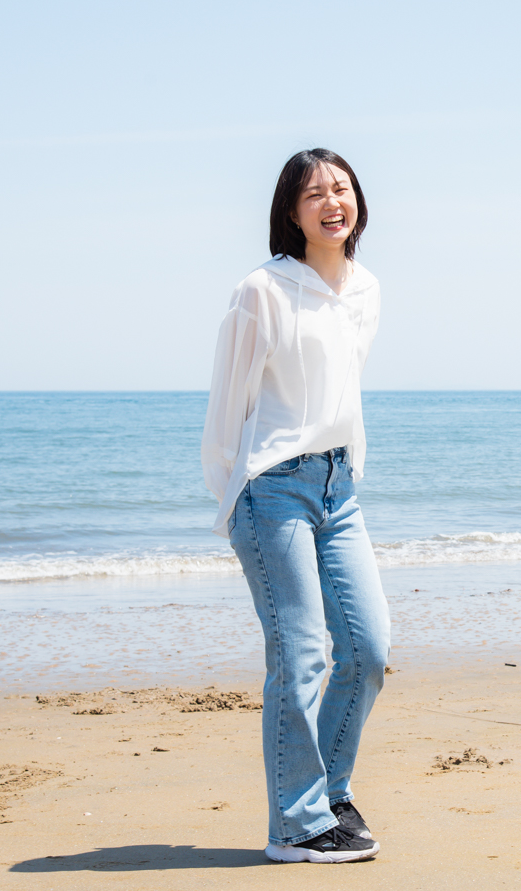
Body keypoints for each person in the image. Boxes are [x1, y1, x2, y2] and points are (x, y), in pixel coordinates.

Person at [201, 148, 387, 864]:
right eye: (316, 193)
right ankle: (296, 824)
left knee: (367, 650)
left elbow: (345, 388)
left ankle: (330, 794)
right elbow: (229, 404)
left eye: (342, 188)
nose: (333, 201)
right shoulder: (262, 290)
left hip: (340, 489)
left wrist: (350, 467)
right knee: (302, 653)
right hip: (272, 486)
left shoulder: (367, 289)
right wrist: (233, 492)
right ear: (290, 211)